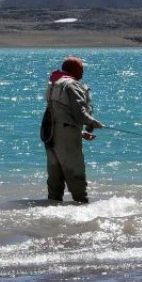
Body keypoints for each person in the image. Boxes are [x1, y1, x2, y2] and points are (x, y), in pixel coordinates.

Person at [42, 56, 103, 203]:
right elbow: (80, 113)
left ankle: (53, 208)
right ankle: (82, 207)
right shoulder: (72, 85)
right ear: (74, 70)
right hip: (66, 137)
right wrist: (93, 122)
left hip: (51, 135)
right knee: (75, 174)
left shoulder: (54, 84)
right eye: (81, 68)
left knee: (55, 177)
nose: (82, 71)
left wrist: (80, 132)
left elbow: (59, 113)